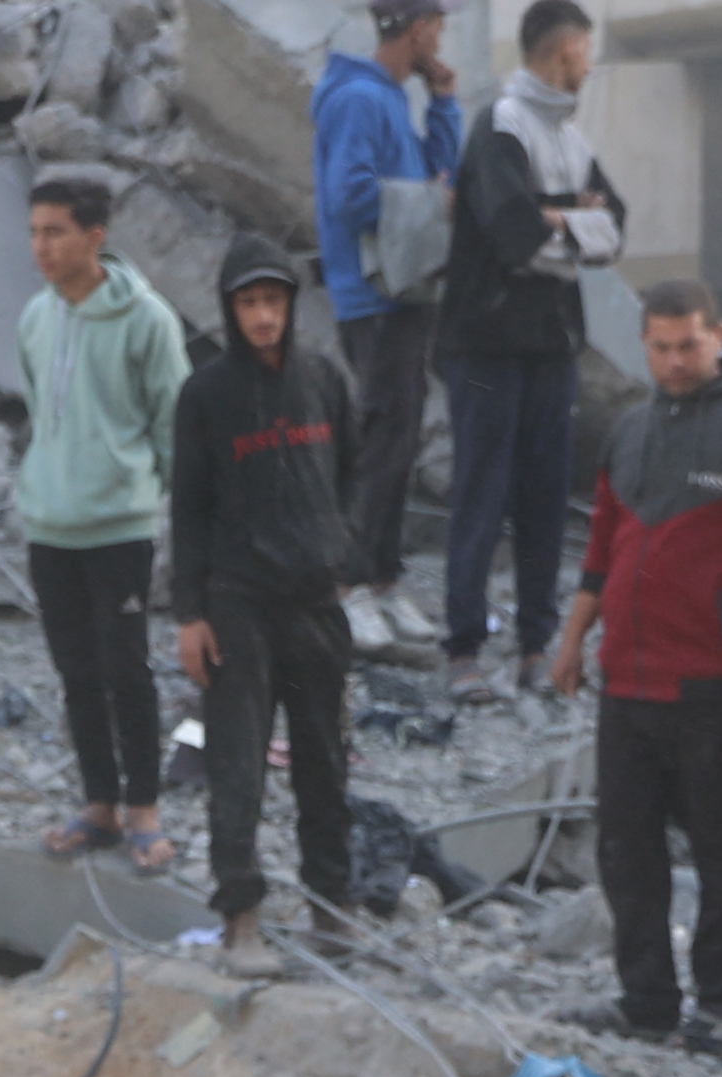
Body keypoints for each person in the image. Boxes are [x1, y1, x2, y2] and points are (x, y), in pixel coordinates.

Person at [554, 278, 722, 1048]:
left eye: (689, 345)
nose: (674, 360)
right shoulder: (630, 431)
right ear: (644, 344)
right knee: (625, 847)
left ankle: (719, 1003)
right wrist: (573, 639)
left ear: (718, 336)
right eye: (661, 347)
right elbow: (603, 545)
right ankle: (647, 999)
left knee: (721, 847)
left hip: (716, 684)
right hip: (627, 682)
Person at [171, 234, 362, 977]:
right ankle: (241, 920)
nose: (262, 317)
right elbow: (186, 509)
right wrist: (191, 614)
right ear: (230, 310)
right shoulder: (207, 396)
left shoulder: (323, 379)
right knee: (238, 769)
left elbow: (353, 468)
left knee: (325, 764)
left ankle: (332, 911)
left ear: (291, 305)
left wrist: (340, 545)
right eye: (248, 303)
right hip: (237, 607)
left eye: (273, 301)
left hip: (315, 604)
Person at [438, 0, 618, 697]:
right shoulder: (501, 127)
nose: (590, 64)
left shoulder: (570, 139)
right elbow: (516, 235)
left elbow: (620, 227)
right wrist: (578, 221)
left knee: (544, 497)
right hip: (484, 348)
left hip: (550, 347)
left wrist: (557, 223)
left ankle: (535, 646)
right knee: (481, 493)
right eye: (586, 50)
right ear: (565, 49)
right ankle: (463, 651)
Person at [17, 175, 190, 870]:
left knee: (127, 668)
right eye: (34, 232)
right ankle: (99, 803)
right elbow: (38, 410)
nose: (41, 247)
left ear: (96, 237)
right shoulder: (35, 317)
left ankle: (144, 808)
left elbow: (174, 425)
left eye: (55, 232)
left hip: (119, 525)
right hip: (49, 525)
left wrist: (152, 498)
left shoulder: (148, 320)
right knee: (75, 670)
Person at [309, 0, 460, 640]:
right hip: (374, 294)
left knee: (398, 437)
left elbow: (440, 179)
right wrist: (428, 203)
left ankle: (384, 580)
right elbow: (350, 196)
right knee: (379, 438)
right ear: (420, 28)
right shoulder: (357, 100)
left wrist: (446, 102)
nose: (441, 37)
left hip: (407, 291)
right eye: (439, 25)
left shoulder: (395, 98)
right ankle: (350, 585)